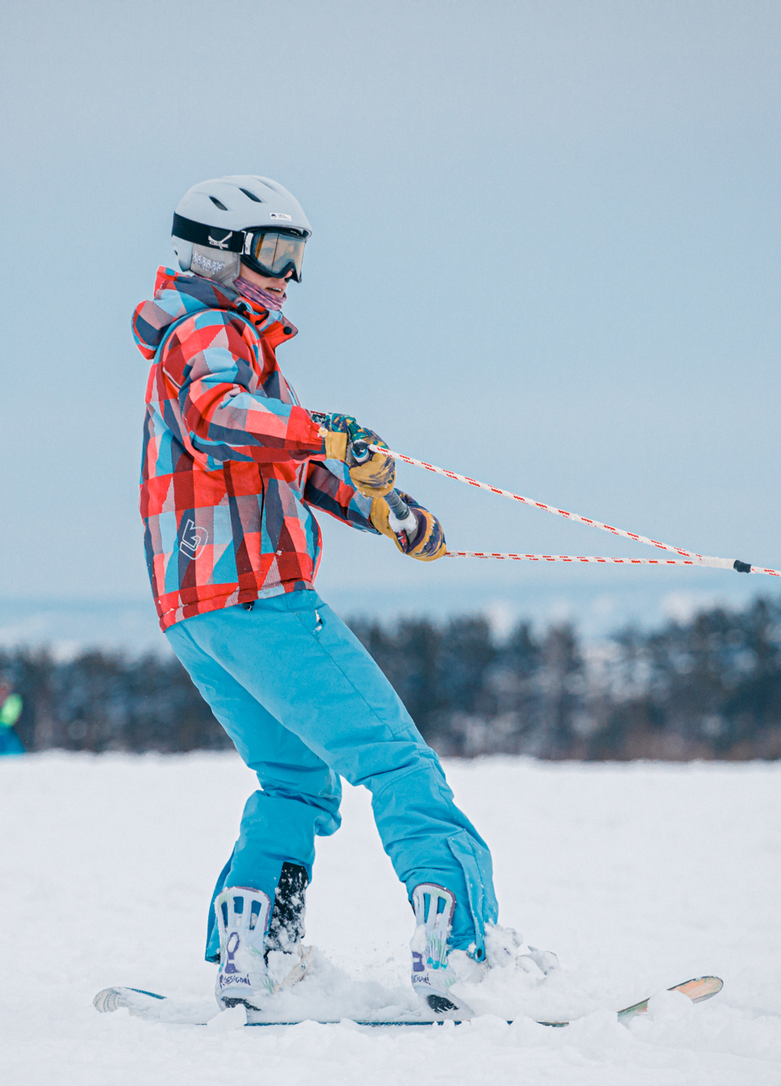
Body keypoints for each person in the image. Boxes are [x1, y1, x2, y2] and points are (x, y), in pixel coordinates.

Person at [133, 175, 524, 1014]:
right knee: (397, 762)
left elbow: (287, 462)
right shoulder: (208, 335)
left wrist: (382, 510)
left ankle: (253, 956)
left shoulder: (220, 340)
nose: (288, 276)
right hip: (262, 601)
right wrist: (327, 429)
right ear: (219, 252)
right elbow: (219, 416)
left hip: (200, 615)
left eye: (298, 257)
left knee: (296, 783)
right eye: (274, 254)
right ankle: (464, 955)